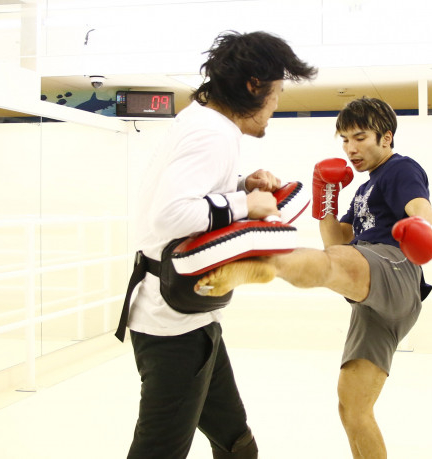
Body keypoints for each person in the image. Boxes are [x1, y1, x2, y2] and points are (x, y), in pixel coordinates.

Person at [195, 97, 432, 459]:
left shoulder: (401, 169)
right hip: (372, 300)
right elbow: (335, 243)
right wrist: (325, 195)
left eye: (360, 138)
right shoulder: (364, 189)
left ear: (386, 138)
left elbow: (421, 209)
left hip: (394, 269)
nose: (350, 149)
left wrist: (421, 228)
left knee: (334, 263)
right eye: (344, 140)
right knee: (352, 407)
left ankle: (264, 262)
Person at [115, 31, 317, 459]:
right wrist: (246, 204)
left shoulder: (202, 121)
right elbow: (169, 214)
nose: (276, 105)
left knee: (236, 443)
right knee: (159, 451)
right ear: (254, 86)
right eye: (277, 94)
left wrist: (243, 185)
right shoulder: (213, 133)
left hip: (191, 317)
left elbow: (190, 194)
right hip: (173, 328)